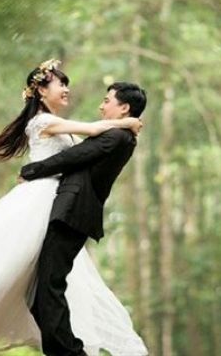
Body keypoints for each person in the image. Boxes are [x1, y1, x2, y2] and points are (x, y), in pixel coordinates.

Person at [0, 59, 148, 356]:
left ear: (123, 106)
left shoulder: (74, 131)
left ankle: (65, 347)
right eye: (61, 84)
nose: (67, 89)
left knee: (44, 285)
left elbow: (86, 149)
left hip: (56, 205)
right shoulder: (43, 122)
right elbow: (93, 132)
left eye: (66, 84)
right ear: (42, 92)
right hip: (41, 202)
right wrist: (127, 122)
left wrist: (124, 125)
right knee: (19, 279)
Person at [19, 81, 148, 356]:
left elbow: (73, 156)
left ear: (124, 107)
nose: (101, 106)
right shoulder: (120, 134)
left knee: (49, 289)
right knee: (45, 290)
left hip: (73, 212)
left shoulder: (117, 137)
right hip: (69, 211)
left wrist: (30, 170)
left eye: (107, 101)